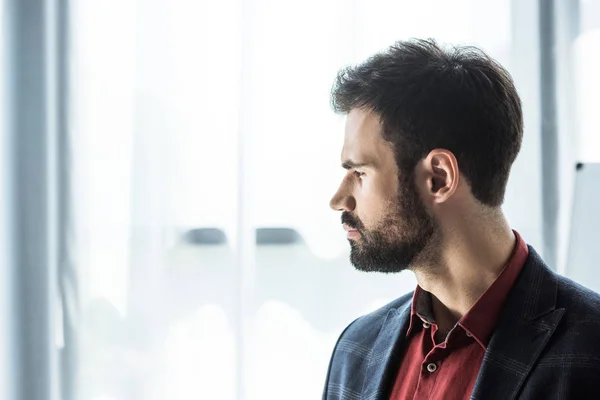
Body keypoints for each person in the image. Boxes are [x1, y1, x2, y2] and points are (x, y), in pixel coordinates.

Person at [322, 39, 600, 400]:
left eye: (359, 172)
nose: (338, 200)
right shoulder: (356, 349)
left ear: (438, 178)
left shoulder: (591, 351)